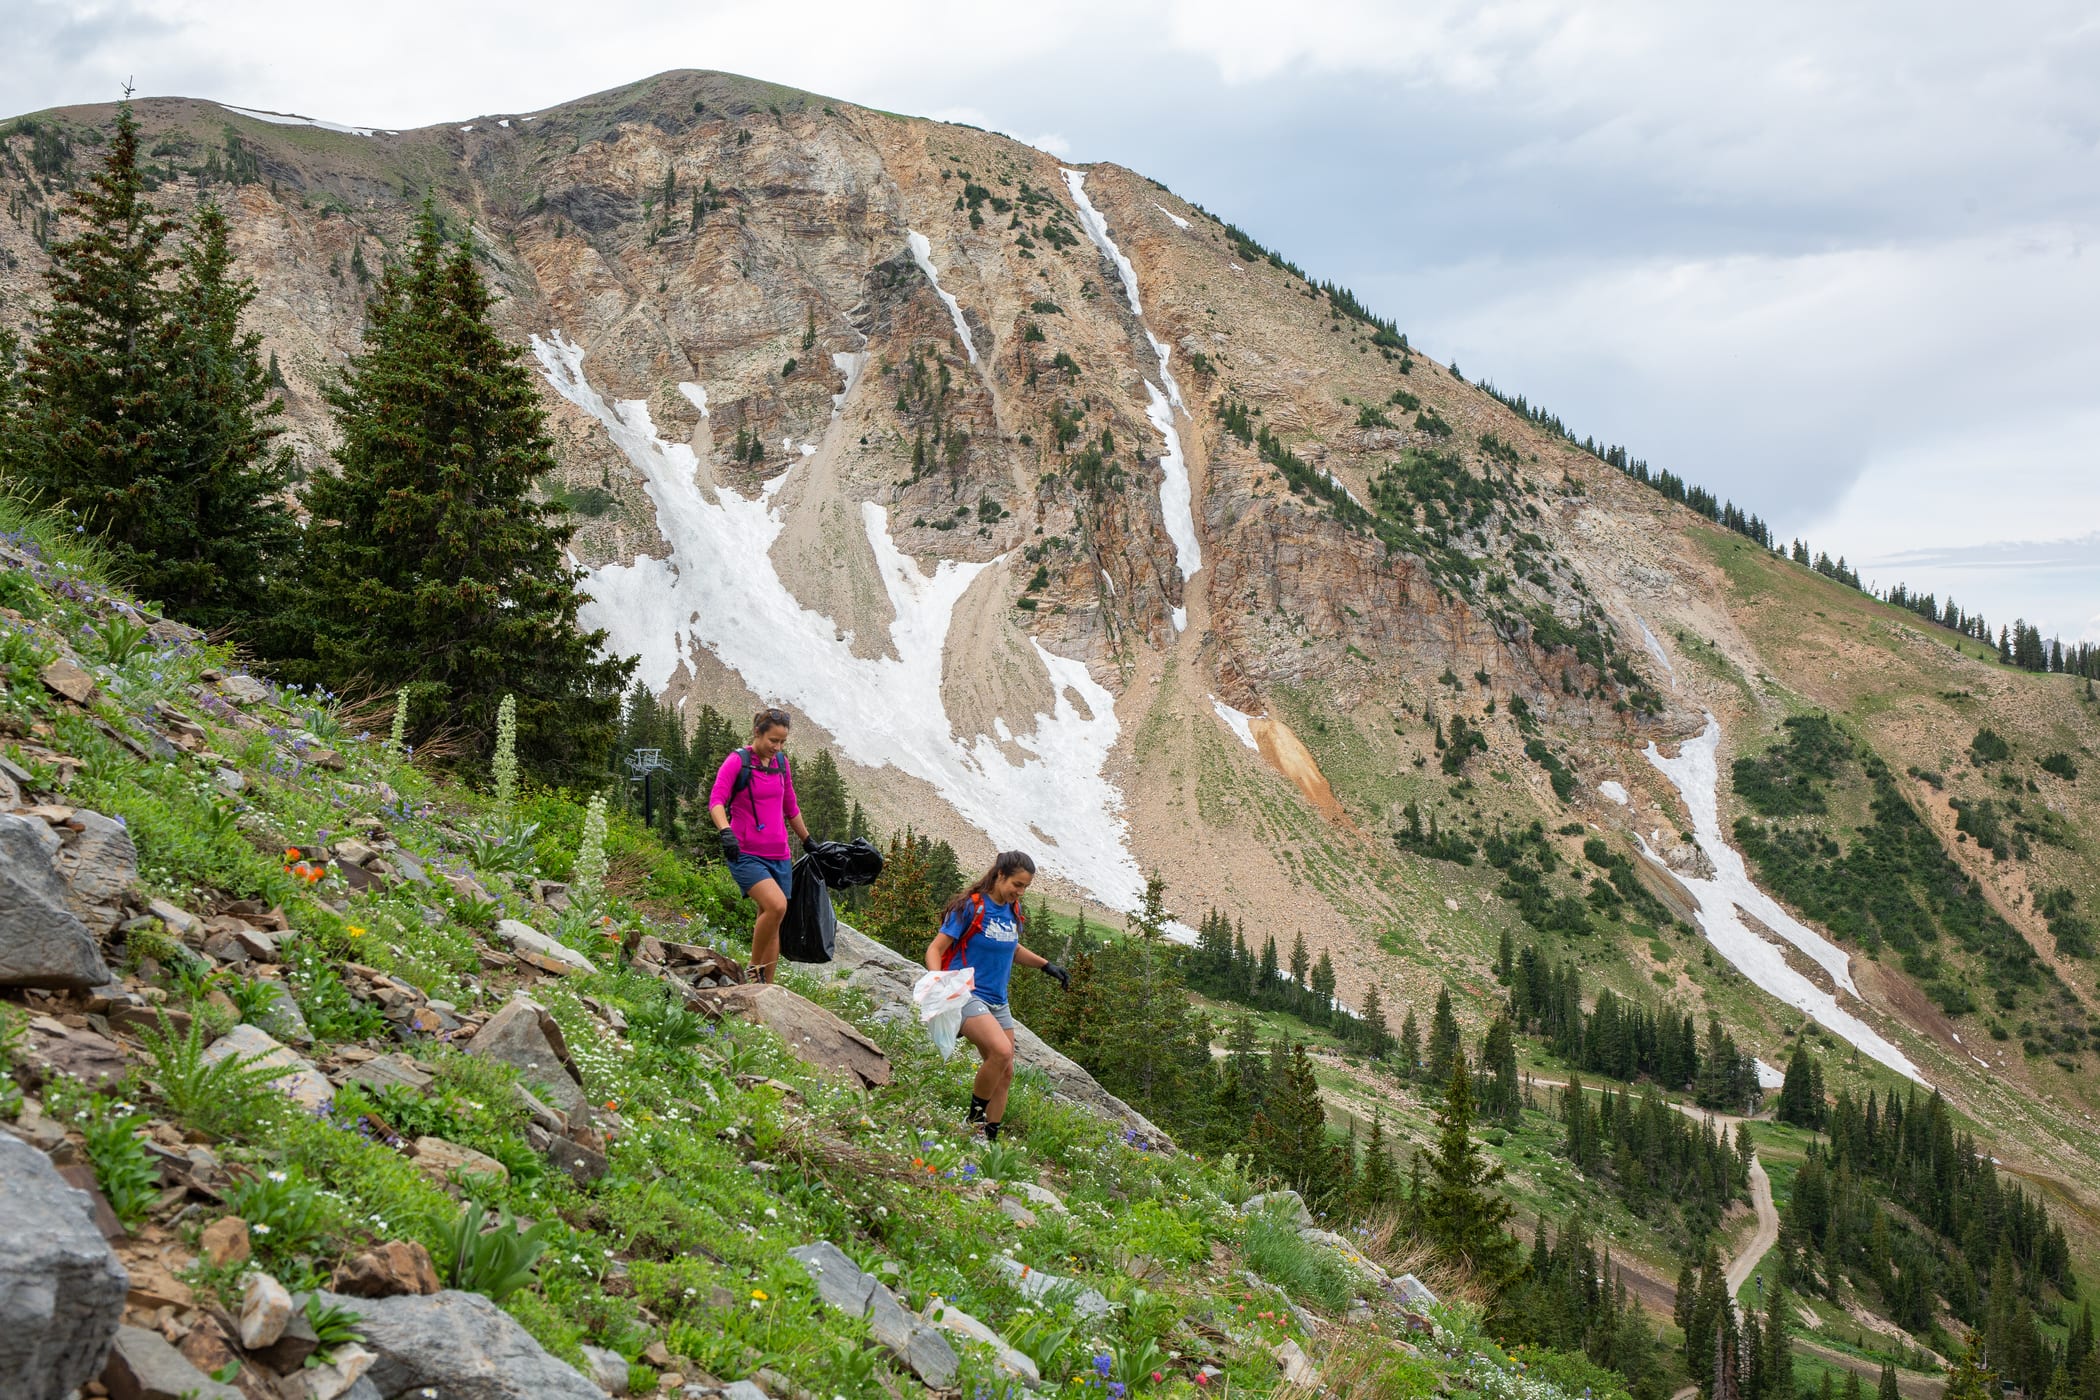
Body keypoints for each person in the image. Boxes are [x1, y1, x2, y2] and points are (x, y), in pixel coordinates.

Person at [924, 851, 1068, 1141]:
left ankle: (989, 1138)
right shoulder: (970, 907)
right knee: (1001, 1051)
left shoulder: (1012, 911)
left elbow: (1011, 948)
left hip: (998, 1000)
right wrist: (937, 981)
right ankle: (973, 1120)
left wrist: (1047, 966)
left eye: (1025, 886)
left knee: (1006, 1070)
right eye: (1017, 884)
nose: (1020, 891)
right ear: (1000, 875)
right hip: (966, 993)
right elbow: (936, 949)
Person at [709, 707, 812, 984]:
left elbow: (790, 806)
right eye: (772, 741)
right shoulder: (737, 762)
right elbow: (716, 801)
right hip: (745, 853)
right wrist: (725, 831)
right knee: (777, 906)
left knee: (772, 920)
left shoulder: (781, 763)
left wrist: (809, 841)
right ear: (757, 733)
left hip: (779, 855)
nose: (777, 747)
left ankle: (766, 988)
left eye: (782, 742)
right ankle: (753, 971)